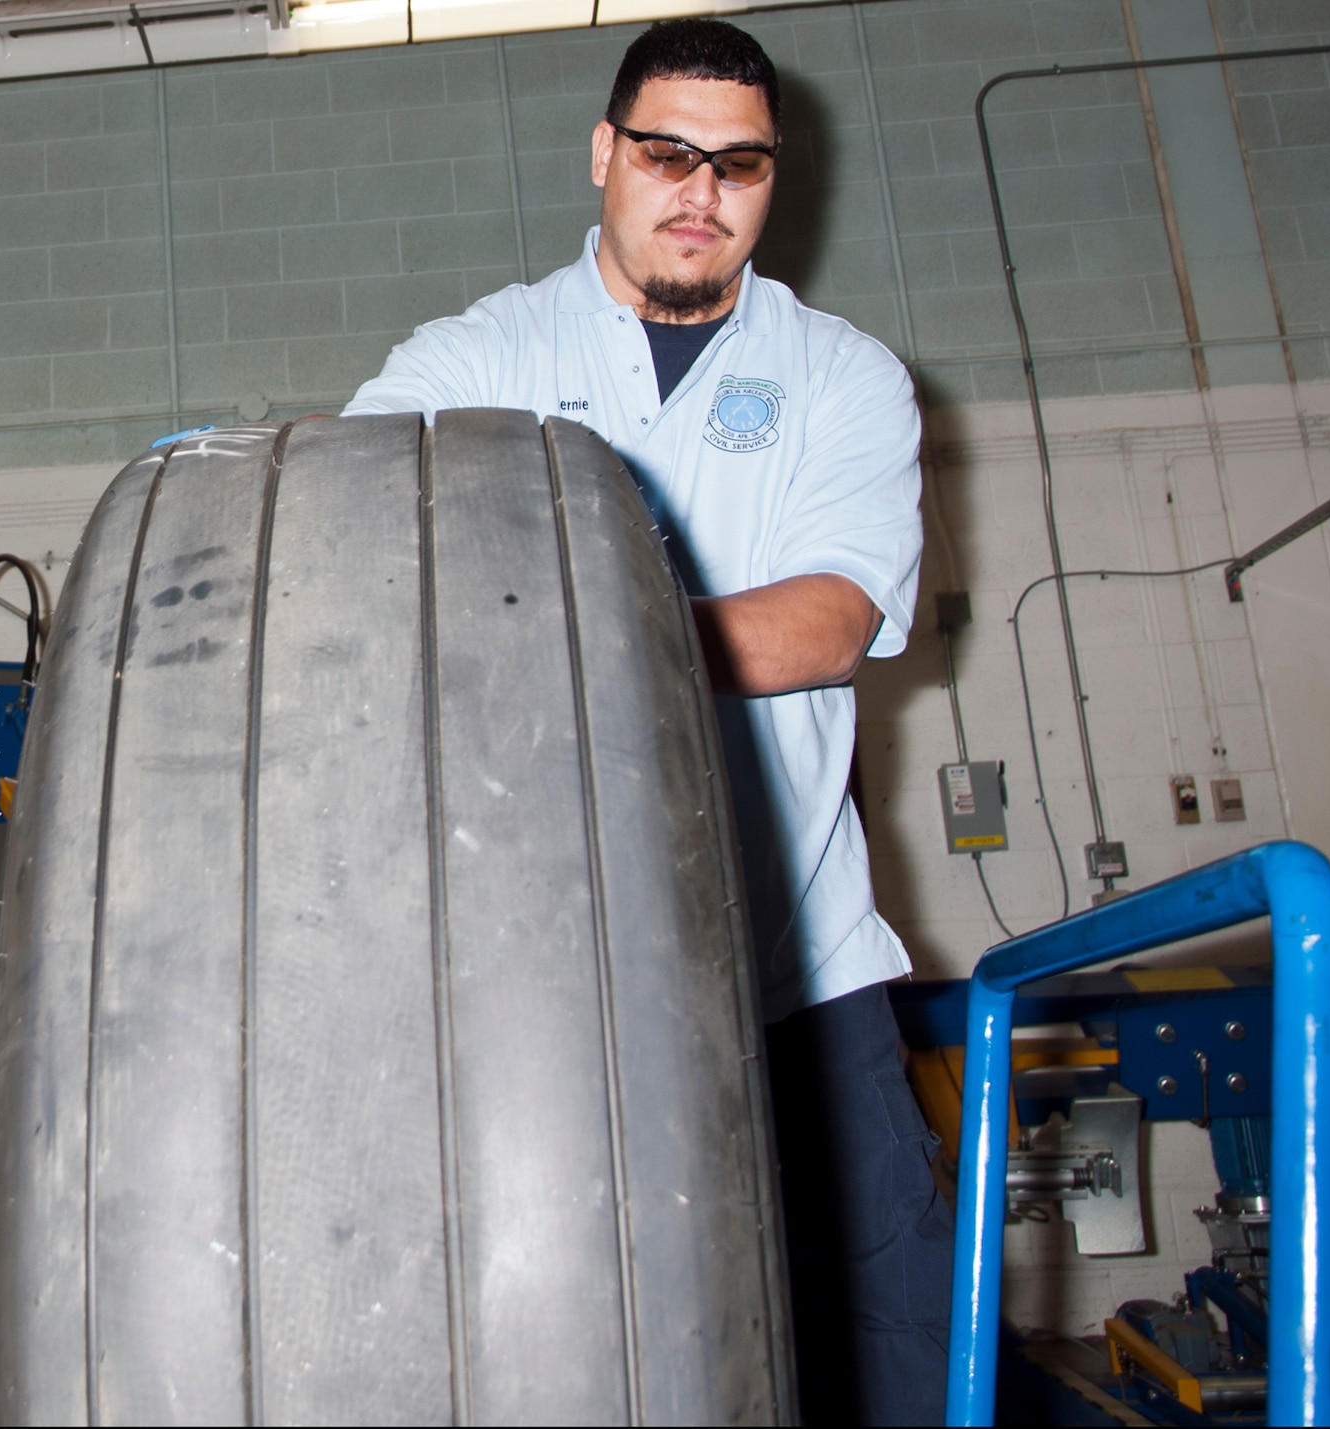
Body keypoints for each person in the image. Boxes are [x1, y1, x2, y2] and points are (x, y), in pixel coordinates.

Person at [343, 17, 948, 1424]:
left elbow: (832, 617)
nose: (702, 191)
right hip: (552, 995)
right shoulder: (478, 355)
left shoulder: (842, 376)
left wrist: (566, 630)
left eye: (740, 165)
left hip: (804, 970)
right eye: (668, 153)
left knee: (889, 1347)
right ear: (605, 156)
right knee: (582, 1359)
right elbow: (363, 536)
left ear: (771, 184)